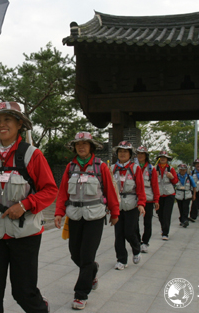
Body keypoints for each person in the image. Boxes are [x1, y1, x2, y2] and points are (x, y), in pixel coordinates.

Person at [0, 101, 57, 313]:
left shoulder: (32, 155)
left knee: (23, 291)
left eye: (7, 119)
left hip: (25, 234)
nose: (2, 124)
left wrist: (26, 204)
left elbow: (50, 190)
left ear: (19, 124)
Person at [54, 132, 120, 310]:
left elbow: (111, 191)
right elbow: (62, 193)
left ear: (91, 147)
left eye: (85, 144)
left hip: (95, 217)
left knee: (86, 255)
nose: (81, 147)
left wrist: (115, 212)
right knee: (75, 253)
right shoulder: (70, 167)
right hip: (74, 215)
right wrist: (58, 212)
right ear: (74, 147)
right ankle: (92, 270)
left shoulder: (101, 167)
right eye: (78, 144)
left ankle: (81, 294)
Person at [110, 141, 146, 270]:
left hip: (132, 205)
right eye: (120, 151)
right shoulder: (112, 168)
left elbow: (141, 188)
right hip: (117, 205)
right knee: (118, 234)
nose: (122, 154)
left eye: (125, 151)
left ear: (130, 154)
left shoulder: (136, 168)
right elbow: (108, 188)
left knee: (130, 232)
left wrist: (141, 204)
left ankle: (136, 249)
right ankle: (121, 259)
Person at [135, 146, 160, 253]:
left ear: (146, 156)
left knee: (147, 222)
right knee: (134, 222)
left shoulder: (151, 169)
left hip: (148, 199)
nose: (140, 156)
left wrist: (156, 200)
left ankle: (145, 242)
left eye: (142, 154)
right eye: (138, 153)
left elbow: (155, 185)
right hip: (135, 199)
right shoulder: (133, 167)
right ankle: (136, 241)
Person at [155, 150, 178, 240]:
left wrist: (171, 177)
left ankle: (165, 233)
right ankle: (163, 227)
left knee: (167, 214)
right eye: (161, 157)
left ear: (167, 159)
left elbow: (176, 181)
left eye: (165, 158)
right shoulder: (155, 168)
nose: (163, 159)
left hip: (169, 194)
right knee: (160, 213)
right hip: (159, 194)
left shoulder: (171, 169)